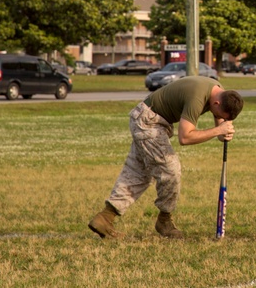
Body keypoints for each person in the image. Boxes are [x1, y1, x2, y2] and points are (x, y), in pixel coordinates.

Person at [88, 76, 243, 239]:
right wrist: (218, 131)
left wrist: (224, 132)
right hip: (148, 122)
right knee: (171, 170)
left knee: (138, 174)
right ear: (217, 103)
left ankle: (104, 218)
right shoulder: (197, 97)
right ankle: (164, 220)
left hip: (149, 119)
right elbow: (185, 138)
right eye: (221, 115)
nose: (221, 119)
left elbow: (220, 126)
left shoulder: (220, 94)